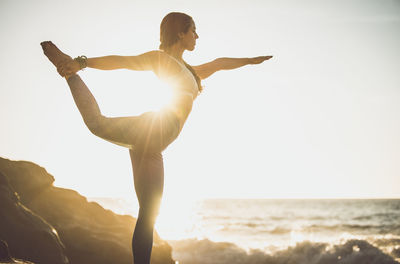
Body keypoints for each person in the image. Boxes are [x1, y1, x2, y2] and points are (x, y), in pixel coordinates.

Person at [41, 12, 272, 264]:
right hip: (155, 128)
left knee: (147, 211)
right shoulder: (161, 59)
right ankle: (69, 68)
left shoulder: (191, 71)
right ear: (180, 33)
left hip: (151, 140)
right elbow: (123, 61)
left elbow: (219, 63)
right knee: (100, 127)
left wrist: (250, 60)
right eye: (193, 30)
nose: (197, 35)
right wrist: (82, 62)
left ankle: (69, 72)